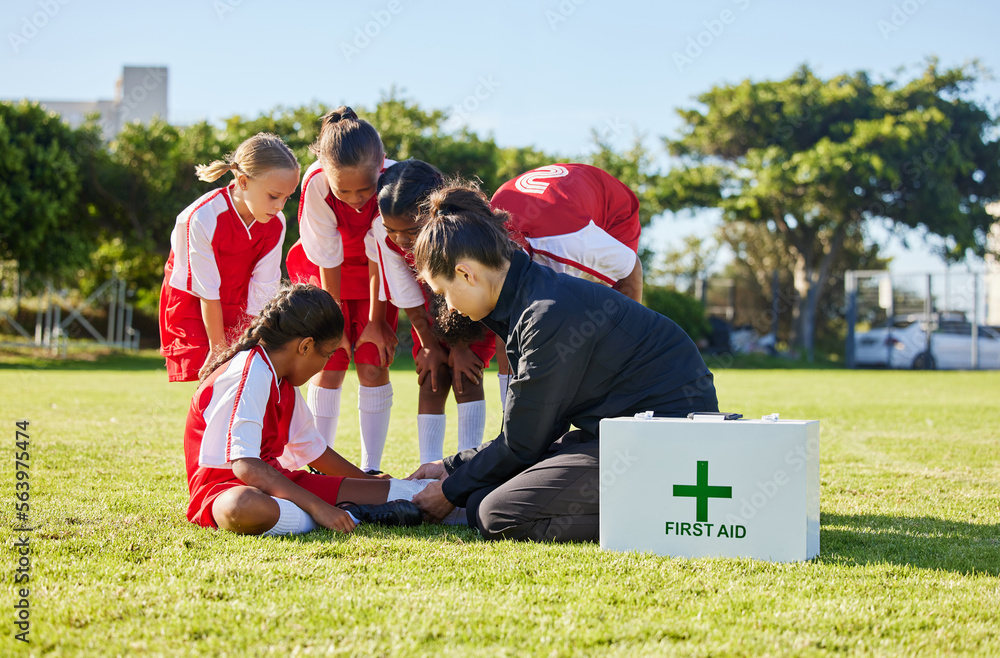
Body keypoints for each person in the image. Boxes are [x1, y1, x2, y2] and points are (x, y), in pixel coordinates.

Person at [408, 181, 719, 543]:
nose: (449, 306)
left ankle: (661, 511)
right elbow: (529, 428)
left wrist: (448, 491)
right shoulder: (526, 298)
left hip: (663, 439)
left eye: (443, 293)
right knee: (479, 497)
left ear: (466, 273)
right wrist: (452, 467)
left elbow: (523, 443)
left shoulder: (544, 314)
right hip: (616, 434)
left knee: (497, 514)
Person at [184, 283, 425, 536]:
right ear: (306, 346)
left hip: (276, 484)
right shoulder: (250, 370)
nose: (325, 364)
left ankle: (360, 508)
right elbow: (246, 466)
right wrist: (318, 507)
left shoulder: (282, 379)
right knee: (242, 506)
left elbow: (314, 450)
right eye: (328, 354)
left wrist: (368, 481)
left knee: (399, 492)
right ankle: (351, 514)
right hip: (224, 491)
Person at [284, 107, 398, 473]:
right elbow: (326, 255)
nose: (354, 198)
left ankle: (371, 468)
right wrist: (333, 325)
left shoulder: (394, 183)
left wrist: (375, 322)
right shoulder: (316, 183)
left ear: (380, 166)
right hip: (324, 271)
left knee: (371, 361)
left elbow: (381, 252)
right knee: (329, 361)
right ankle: (322, 462)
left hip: (377, 277)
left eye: (365, 189)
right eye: (343, 190)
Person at [489, 163, 644, 407]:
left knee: (595, 322)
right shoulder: (487, 231)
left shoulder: (565, 244)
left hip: (611, 210)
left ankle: (623, 388)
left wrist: (630, 346)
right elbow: (506, 332)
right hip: (559, 205)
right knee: (513, 324)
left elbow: (631, 269)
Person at [373, 160, 495, 463]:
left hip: (471, 306)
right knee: (432, 375)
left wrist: (461, 347)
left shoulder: (458, 230)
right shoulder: (386, 237)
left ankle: (467, 463)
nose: (400, 239)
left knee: (466, 375)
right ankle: (428, 465)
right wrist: (428, 345)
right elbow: (407, 293)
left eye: (410, 230)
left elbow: (462, 291)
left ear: (432, 214)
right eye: (391, 230)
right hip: (427, 311)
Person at [159, 133, 298, 382]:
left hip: (240, 300)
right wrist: (218, 346)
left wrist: (255, 340)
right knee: (210, 379)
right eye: (274, 196)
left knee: (244, 374)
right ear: (243, 181)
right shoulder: (202, 218)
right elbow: (206, 288)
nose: (280, 206)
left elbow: (263, 287)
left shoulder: (276, 223)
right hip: (196, 301)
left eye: (287, 197)